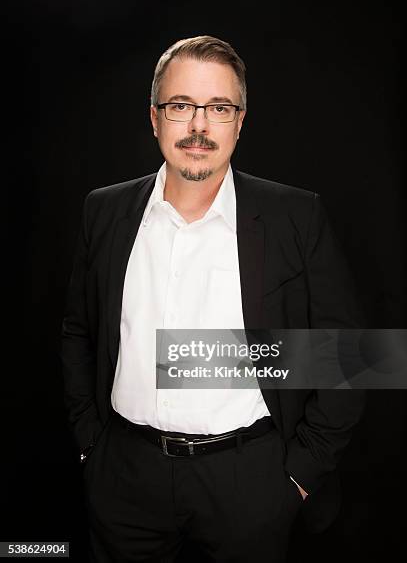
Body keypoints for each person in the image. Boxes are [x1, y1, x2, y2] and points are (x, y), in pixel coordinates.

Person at [61, 35, 366, 562]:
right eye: (181, 106)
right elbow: (77, 332)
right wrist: (92, 445)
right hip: (125, 476)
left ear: (239, 121)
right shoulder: (104, 211)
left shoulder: (296, 216)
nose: (199, 126)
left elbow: (351, 356)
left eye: (218, 108)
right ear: (155, 117)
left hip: (250, 480)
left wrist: (298, 474)